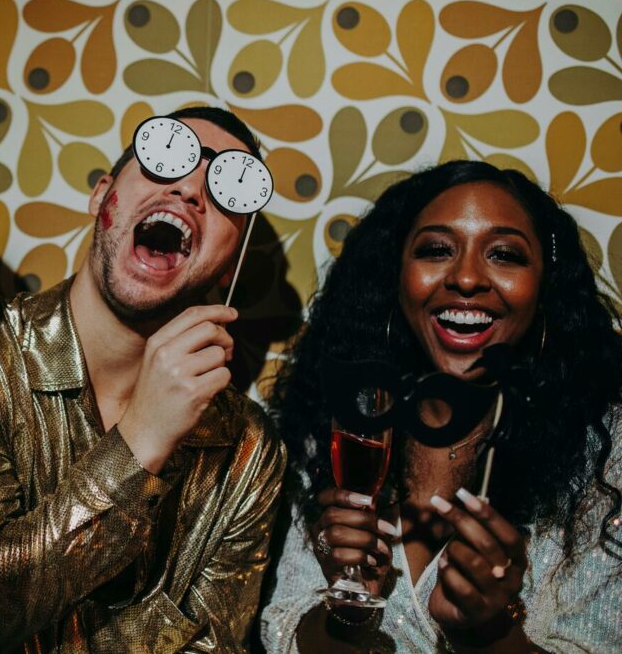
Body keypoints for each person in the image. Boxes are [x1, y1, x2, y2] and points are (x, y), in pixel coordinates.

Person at [0, 106, 287, 652]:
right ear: (102, 195)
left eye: (227, 192)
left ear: (229, 267)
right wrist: (141, 442)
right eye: (165, 158)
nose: (189, 191)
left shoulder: (249, 451)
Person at [260, 160, 622, 652]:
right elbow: (288, 639)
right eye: (435, 250)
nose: (467, 278)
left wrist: (490, 631)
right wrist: (348, 613)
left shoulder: (603, 453)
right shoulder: (342, 428)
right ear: (397, 279)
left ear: (545, 290)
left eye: (505, 255)